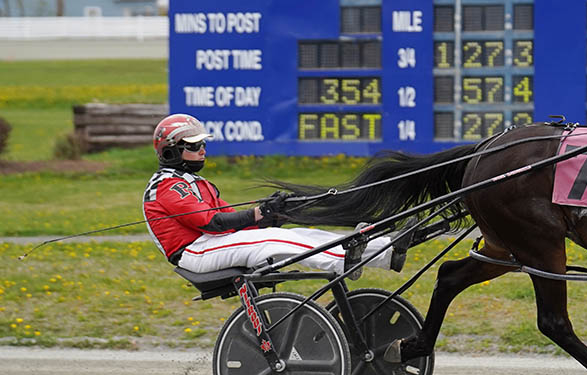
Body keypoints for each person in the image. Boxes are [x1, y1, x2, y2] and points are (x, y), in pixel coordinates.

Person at [143, 113, 408, 278]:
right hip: (196, 252)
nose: (202, 150)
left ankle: (386, 249)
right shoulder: (167, 186)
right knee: (274, 240)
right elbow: (213, 223)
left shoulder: (194, 183)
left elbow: (229, 217)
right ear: (170, 151)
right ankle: (342, 261)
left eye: (203, 143)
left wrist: (270, 215)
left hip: (211, 245)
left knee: (302, 234)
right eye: (194, 145)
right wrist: (259, 215)